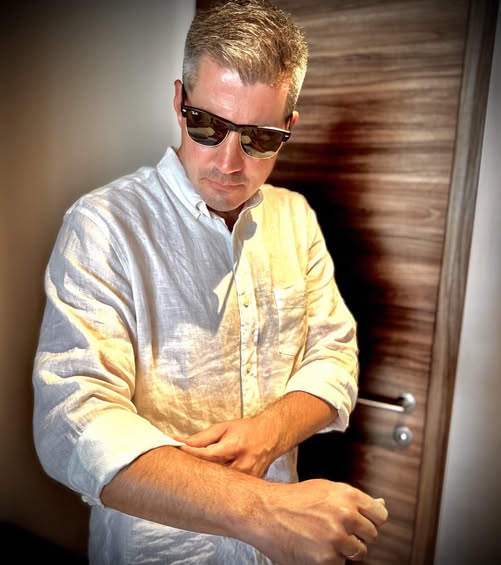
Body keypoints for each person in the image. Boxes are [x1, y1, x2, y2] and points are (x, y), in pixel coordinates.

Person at [32, 0, 388, 563]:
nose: (228, 162)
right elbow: (73, 421)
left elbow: (335, 356)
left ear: (288, 129)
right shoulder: (103, 226)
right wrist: (265, 510)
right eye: (208, 126)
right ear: (180, 103)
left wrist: (270, 431)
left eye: (259, 138)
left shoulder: (296, 219)